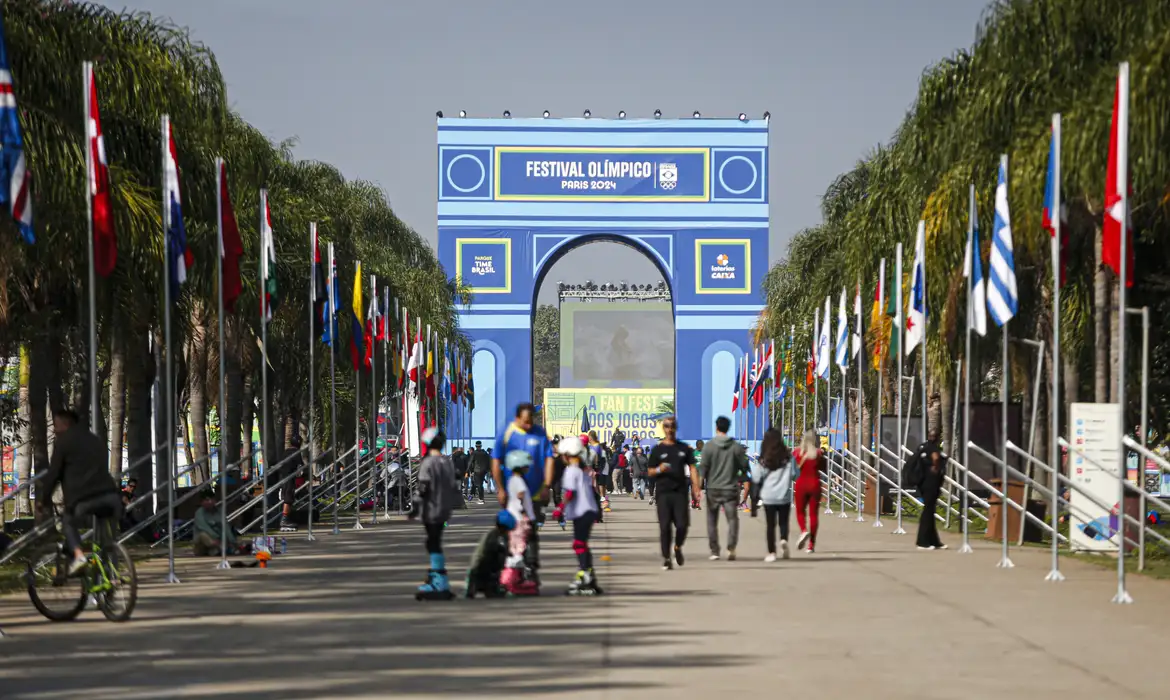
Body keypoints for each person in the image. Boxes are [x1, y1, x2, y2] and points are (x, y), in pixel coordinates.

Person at [37, 410, 122, 575]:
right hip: (110, 495)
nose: (55, 429)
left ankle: (79, 556)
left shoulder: (63, 442)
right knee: (108, 542)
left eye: (56, 425)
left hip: (84, 498)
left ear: (66, 423)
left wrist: (44, 500)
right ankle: (111, 580)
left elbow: (54, 473)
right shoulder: (95, 440)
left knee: (68, 523)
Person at [491, 403, 555, 573]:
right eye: (525, 421)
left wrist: (547, 486)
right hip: (511, 494)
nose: (529, 425)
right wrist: (500, 488)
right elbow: (496, 462)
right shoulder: (506, 434)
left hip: (535, 493)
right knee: (512, 531)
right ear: (517, 418)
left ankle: (531, 567)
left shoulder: (540, 433)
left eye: (531, 421)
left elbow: (549, 460)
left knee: (531, 531)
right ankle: (513, 567)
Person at [647, 416, 701, 570]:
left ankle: (677, 547)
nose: (669, 429)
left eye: (672, 426)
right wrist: (659, 469)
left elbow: (692, 468)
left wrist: (696, 488)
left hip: (680, 493)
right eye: (666, 426)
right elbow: (650, 471)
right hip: (663, 493)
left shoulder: (683, 448)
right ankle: (666, 558)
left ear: (676, 428)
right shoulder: (658, 450)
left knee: (682, 525)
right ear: (663, 428)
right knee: (665, 527)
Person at [552, 435, 603, 595]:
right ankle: (588, 573)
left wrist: (559, 508)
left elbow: (569, 493)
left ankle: (585, 574)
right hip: (589, 510)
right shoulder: (582, 469)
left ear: (567, 455)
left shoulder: (571, 471)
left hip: (581, 511)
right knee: (582, 543)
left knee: (579, 544)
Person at [411, 427, 457, 600]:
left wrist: (415, 507)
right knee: (435, 541)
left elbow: (423, 487)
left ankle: (438, 581)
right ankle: (439, 578)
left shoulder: (428, 462)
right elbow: (453, 485)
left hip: (430, 509)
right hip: (444, 510)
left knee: (433, 543)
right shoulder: (447, 462)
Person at [699, 416, 748, 561]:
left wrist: (697, 489)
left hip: (713, 488)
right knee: (732, 519)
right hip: (731, 488)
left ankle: (714, 550)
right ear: (728, 427)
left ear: (716, 427)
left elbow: (703, 468)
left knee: (711, 520)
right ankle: (731, 547)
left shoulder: (708, 446)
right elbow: (744, 467)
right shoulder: (736, 447)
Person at [751, 429, 796, 561]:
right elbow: (794, 474)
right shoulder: (788, 458)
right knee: (784, 522)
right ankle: (783, 539)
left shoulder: (764, 459)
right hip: (784, 495)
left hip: (768, 496)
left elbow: (756, 476)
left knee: (770, 525)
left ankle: (771, 552)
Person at [500, 450, 539, 595]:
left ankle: (514, 578)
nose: (528, 468)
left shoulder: (512, 480)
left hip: (515, 519)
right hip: (520, 520)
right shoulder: (519, 481)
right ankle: (513, 579)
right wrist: (525, 515)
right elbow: (521, 496)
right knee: (520, 549)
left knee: (516, 549)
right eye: (526, 466)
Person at [910, 432, 948, 550]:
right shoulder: (933, 449)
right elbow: (936, 457)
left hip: (923, 484)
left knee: (930, 511)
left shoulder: (922, 448)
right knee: (928, 512)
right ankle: (922, 541)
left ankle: (934, 540)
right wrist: (936, 468)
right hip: (931, 484)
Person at [464, 510, 515, 599]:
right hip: (481, 566)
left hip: (488, 565)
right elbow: (488, 552)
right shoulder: (493, 536)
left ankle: (490, 586)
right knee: (481, 570)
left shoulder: (501, 536)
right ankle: (482, 586)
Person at [792, 430, 825, 554]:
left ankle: (803, 530)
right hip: (815, 484)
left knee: (800, 511)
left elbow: (794, 470)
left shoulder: (796, 452)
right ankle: (811, 545)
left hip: (801, 484)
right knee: (814, 515)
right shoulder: (818, 453)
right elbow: (823, 468)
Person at [193, 489, 238, 556]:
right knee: (203, 535)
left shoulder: (220, 512)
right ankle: (221, 548)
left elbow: (226, 527)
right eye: (207, 500)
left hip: (217, 543)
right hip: (203, 545)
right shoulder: (199, 513)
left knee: (216, 550)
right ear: (202, 502)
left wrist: (232, 541)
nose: (210, 502)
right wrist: (216, 538)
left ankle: (220, 550)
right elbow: (204, 527)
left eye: (212, 499)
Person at [278, 434, 304, 532]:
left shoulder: (286, 452)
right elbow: (300, 467)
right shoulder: (296, 452)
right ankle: (284, 519)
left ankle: (286, 518)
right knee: (288, 499)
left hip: (283, 477)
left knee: (287, 498)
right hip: (289, 478)